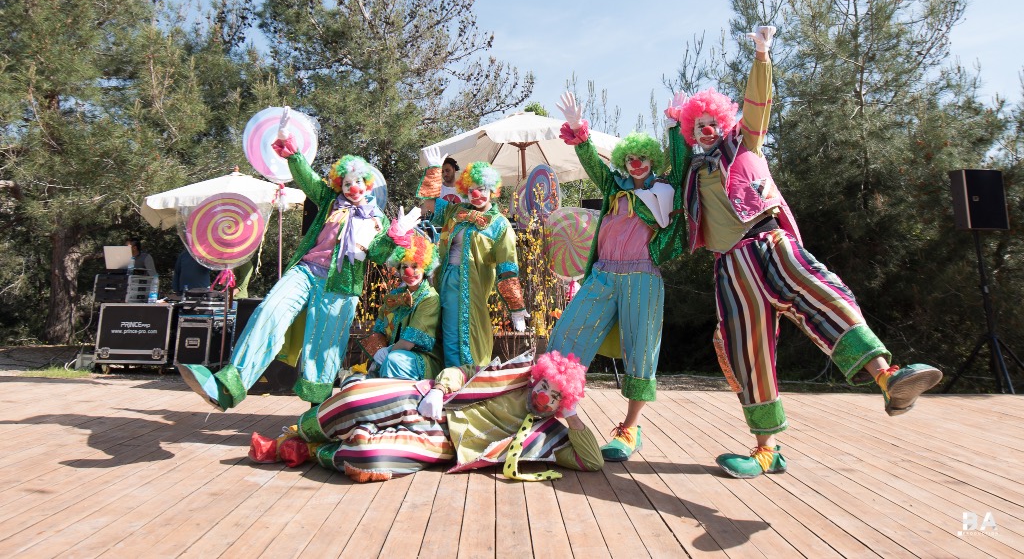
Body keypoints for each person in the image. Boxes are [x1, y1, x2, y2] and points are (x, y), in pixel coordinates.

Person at [665, 26, 943, 478]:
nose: (706, 128)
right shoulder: (693, 171)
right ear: (691, 131)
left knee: (821, 294)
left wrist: (762, 56)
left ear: (724, 122)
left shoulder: (744, 144)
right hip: (729, 266)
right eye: (697, 125)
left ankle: (888, 377)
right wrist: (671, 126)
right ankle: (766, 449)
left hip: (768, 243)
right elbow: (676, 161)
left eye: (711, 121)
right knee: (747, 351)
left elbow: (758, 106)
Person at [179, 136, 407, 410]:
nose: (352, 188)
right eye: (346, 183)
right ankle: (229, 387)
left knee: (324, 347)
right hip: (306, 271)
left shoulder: (377, 218)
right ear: (340, 185)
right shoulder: (329, 201)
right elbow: (308, 179)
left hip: (341, 286)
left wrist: (395, 237)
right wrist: (295, 156)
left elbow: (380, 254)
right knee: (269, 312)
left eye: (357, 182)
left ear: (367, 183)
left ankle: (317, 412)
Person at [544, 100, 689, 462]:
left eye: (643, 158)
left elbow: (683, 165)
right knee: (566, 335)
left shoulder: (665, 190)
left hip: (643, 276)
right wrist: (579, 132)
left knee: (641, 351)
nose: (636, 164)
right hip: (603, 274)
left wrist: (675, 127)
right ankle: (558, 404)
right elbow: (592, 162)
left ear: (652, 160)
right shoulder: (613, 186)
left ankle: (630, 428)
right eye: (631, 159)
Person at [248, 350, 603, 482]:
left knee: (368, 460)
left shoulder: (547, 433)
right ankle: (294, 434)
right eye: (545, 385)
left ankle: (307, 450)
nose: (544, 396)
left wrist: (571, 417)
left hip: (446, 442)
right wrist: (439, 390)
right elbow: (461, 371)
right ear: (538, 376)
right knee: (355, 398)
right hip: (435, 403)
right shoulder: (512, 377)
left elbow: (592, 461)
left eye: (556, 396)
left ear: (563, 403)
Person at [417, 152, 528, 367]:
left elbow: (507, 266)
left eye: (482, 188)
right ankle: (453, 374)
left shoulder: (500, 224)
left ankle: (469, 374)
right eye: (471, 190)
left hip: (474, 284)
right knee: (449, 330)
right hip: (447, 279)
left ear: (492, 190)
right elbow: (428, 203)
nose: (476, 194)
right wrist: (433, 172)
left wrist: (516, 306)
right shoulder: (456, 211)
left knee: (471, 330)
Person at [362, 217, 443, 380]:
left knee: (394, 360)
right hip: (392, 357)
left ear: (425, 267)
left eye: (415, 266)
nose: (409, 272)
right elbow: (378, 331)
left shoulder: (430, 298)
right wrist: (377, 352)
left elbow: (409, 341)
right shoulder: (392, 297)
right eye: (404, 266)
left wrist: (387, 353)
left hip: (422, 360)